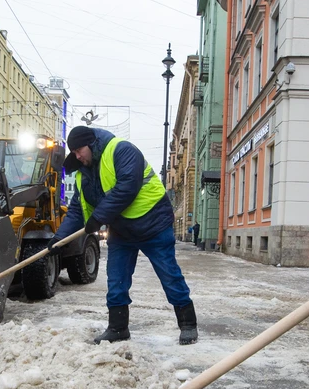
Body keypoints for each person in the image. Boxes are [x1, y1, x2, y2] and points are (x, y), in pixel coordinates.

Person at [49, 125, 198, 345]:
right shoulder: (83, 174)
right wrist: (58, 239)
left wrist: (98, 217)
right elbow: (76, 211)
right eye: (74, 152)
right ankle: (118, 328)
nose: (77, 156)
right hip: (121, 231)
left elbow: (127, 187)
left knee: (169, 275)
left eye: (79, 150)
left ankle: (188, 324)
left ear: (90, 143)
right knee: (116, 280)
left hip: (153, 224)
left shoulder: (122, 150)